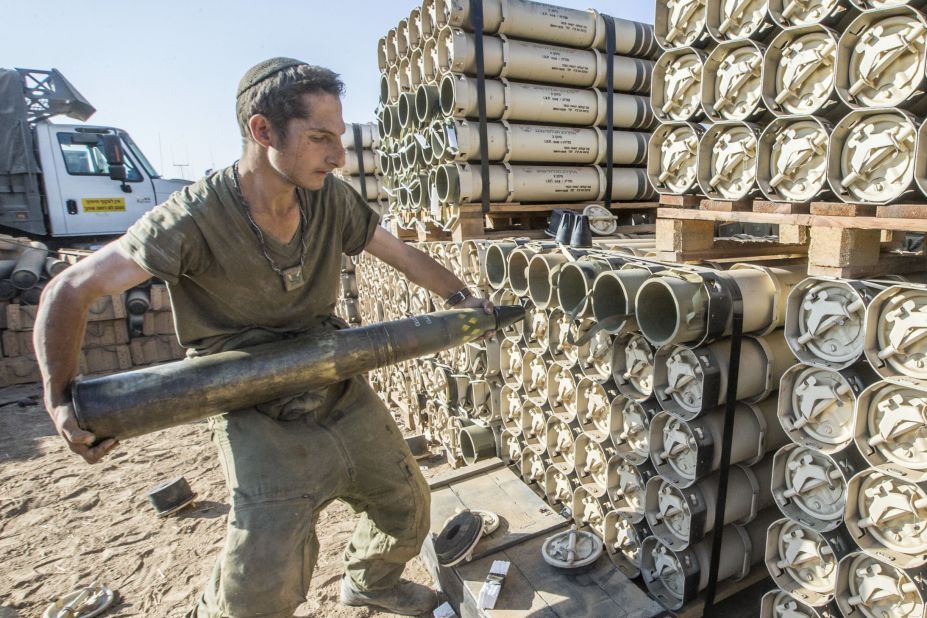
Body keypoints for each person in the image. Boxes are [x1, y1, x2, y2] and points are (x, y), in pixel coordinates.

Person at [34, 57, 490, 617]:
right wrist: (59, 399)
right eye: (320, 138)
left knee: (405, 505)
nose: (338, 155)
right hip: (246, 398)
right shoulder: (193, 218)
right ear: (262, 130)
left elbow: (399, 253)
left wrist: (460, 301)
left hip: (331, 373)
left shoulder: (331, 198)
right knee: (263, 577)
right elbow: (69, 290)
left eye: (339, 137)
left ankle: (369, 582)